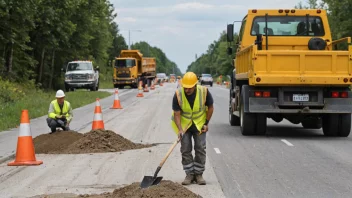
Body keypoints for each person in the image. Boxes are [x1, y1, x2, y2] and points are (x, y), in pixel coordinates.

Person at [171, 72, 214, 185]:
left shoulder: (204, 92)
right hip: (184, 125)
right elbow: (176, 113)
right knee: (185, 149)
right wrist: (180, 129)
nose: (187, 90)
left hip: (199, 124)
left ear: (195, 85)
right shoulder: (178, 94)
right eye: (185, 87)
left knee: (200, 148)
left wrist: (206, 123)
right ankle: (189, 174)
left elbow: (210, 107)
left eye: (190, 88)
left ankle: (198, 174)